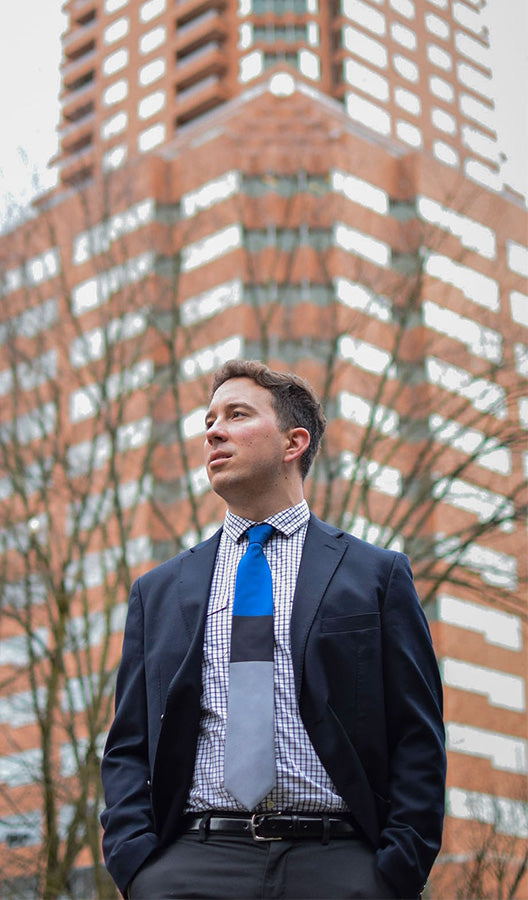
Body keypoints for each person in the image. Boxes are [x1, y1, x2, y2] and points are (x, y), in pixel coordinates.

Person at [100, 359, 446, 899]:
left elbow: (417, 733)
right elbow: (128, 745)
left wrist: (396, 869)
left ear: (294, 442)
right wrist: (136, 865)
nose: (214, 431)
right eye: (209, 420)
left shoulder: (377, 576)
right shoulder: (158, 591)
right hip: (191, 862)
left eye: (237, 415)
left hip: (340, 866)